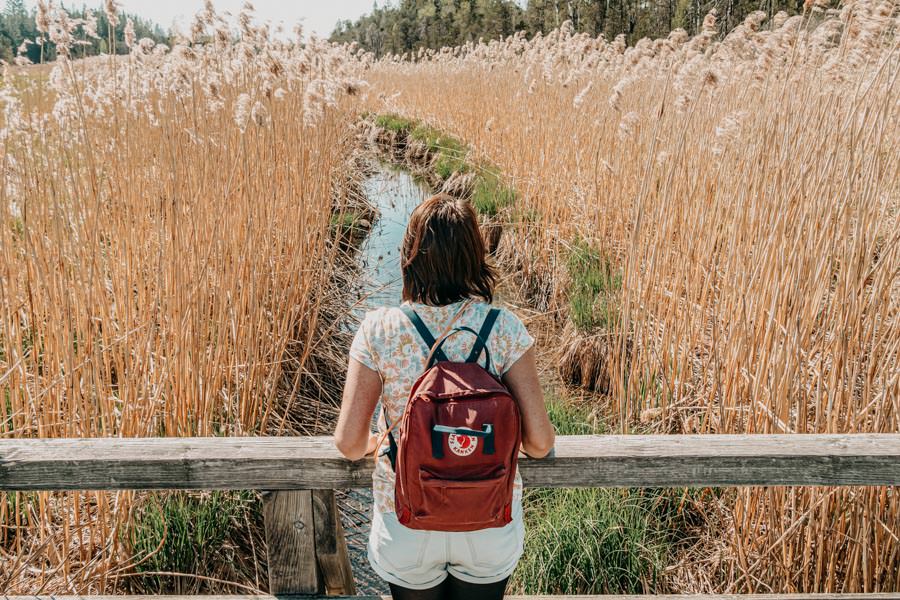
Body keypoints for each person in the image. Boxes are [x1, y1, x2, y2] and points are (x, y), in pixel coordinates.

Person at [335, 193, 555, 600]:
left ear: (411, 256)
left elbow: (349, 444)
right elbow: (540, 443)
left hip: (408, 518)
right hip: (488, 516)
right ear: (475, 254)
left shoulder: (379, 329)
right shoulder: (503, 327)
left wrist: (380, 444)